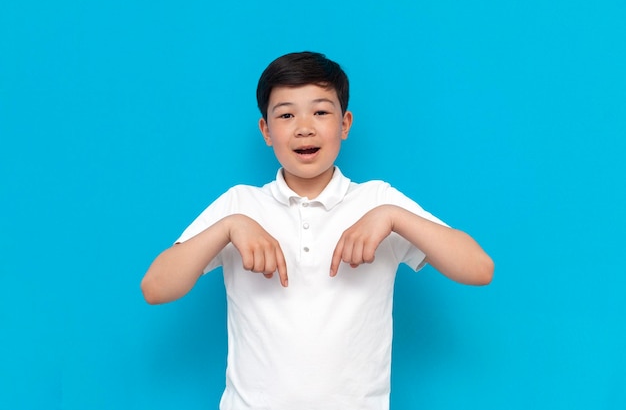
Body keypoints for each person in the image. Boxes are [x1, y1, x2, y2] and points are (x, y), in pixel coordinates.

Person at [141, 51, 494, 410]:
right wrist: (229, 227)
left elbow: (479, 269)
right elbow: (155, 288)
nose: (304, 127)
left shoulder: (376, 200)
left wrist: (392, 216)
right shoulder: (241, 204)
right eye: (286, 114)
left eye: (321, 111)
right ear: (266, 130)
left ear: (345, 124)